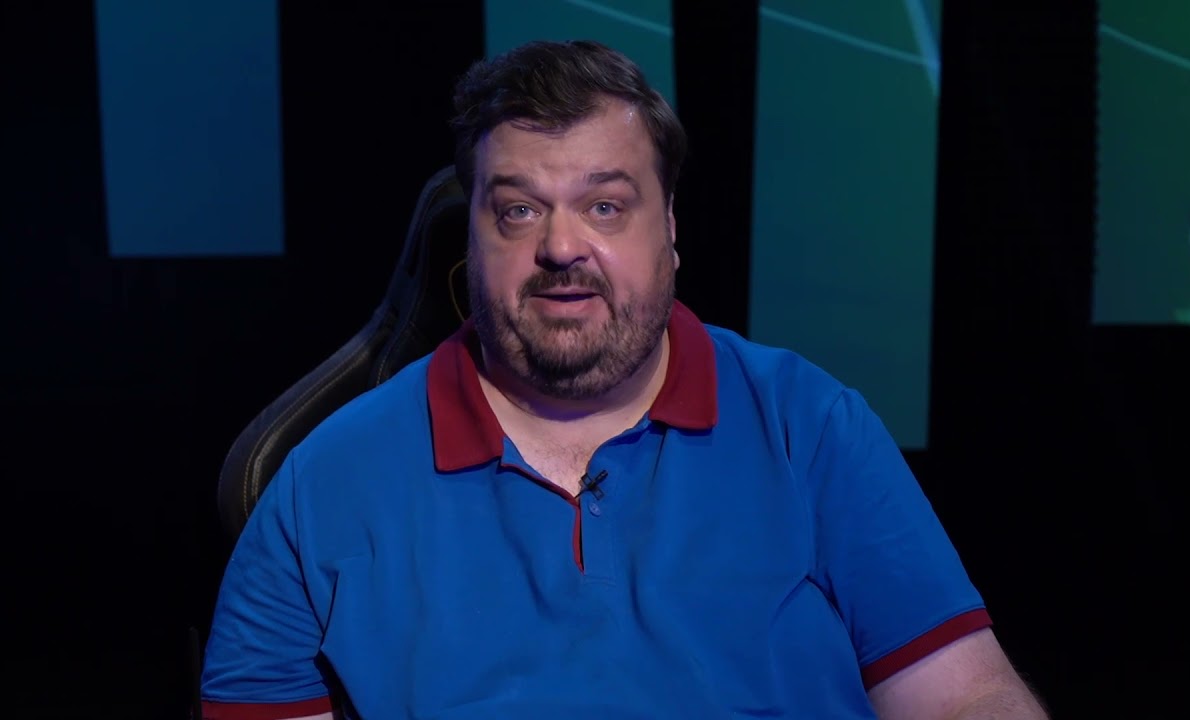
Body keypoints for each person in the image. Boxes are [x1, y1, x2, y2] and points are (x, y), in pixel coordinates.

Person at [200, 40, 1048, 720]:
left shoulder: (810, 425)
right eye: (518, 210)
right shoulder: (323, 484)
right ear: (472, 240)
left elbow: (964, 697)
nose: (562, 247)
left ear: (669, 228)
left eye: (604, 205)